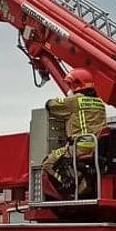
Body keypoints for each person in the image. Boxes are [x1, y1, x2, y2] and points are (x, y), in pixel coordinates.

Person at [41, 68, 108, 199]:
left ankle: (69, 185)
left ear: (75, 84)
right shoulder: (100, 103)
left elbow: (50, 105)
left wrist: (69, 96)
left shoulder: (76, 100)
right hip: (97, 147)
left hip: (79, 147)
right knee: (67, 160)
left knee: (48, 163)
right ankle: (84, 178)